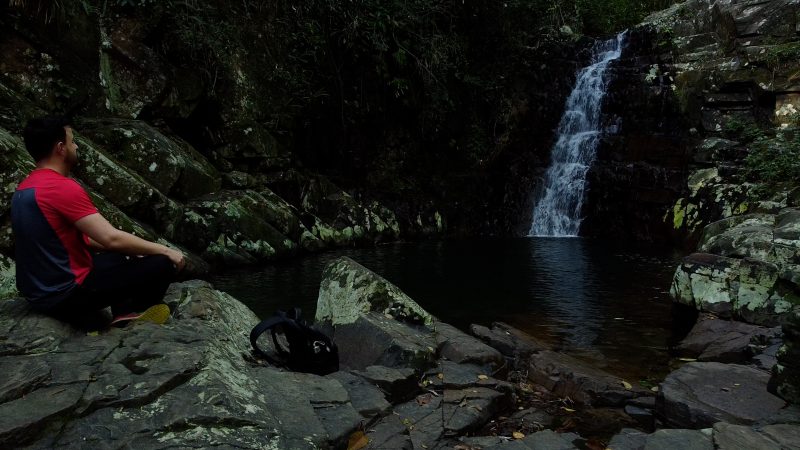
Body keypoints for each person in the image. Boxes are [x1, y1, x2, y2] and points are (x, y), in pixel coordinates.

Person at [11, 116, 186, 328]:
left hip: (40, 294)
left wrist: (133, 250)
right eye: (72, 141)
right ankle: (138, 310)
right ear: (60, 148)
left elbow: (78, 239)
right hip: (66, 296)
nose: (76, 146)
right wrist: (165, 250)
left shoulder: (24, 188)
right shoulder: (59, 188)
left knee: (121, 256)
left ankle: (123, 312)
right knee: (163, 263)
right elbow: (110, 238)